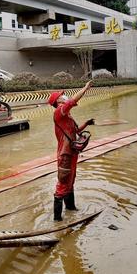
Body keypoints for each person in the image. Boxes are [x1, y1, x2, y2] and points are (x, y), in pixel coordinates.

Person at [48, 80, 95, 221]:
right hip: (65, 155)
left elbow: (75, 131)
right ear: (58, 101)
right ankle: (57, 220)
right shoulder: (59, 112)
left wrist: (87, 123)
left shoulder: (67, 116)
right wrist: (85, 88)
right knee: (63, 183)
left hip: (71, 153)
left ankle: (70, 209)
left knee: (70, 181)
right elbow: (73, 100)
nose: (65, 97)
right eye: (62, 96)